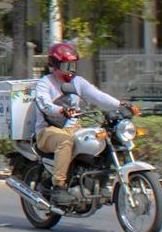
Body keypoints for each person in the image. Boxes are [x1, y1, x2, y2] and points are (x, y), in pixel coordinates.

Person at [28, 42, 136, 204]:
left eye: (73, 65)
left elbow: (97, 96)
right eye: (66, 65)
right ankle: (58, 188)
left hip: (74, 128)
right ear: (54, 65)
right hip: (48, 131)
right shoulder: (45, 82)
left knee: (104, 138)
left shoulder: (78, 82)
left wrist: (121, 105)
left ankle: (101, 183)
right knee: (65, 141)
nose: (71, 69)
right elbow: (44, 103)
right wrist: (60, 110)